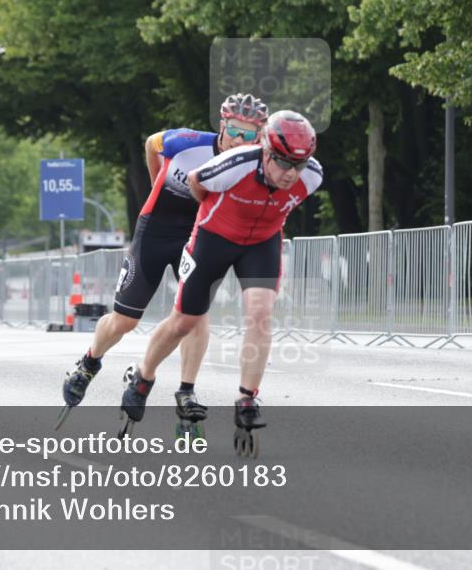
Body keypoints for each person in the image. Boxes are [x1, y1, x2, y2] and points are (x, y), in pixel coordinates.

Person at [58, 93, 269, 429]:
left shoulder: (253, 165)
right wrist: (158, 178)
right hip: (154, 230)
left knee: (195, 315)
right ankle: (89, 363)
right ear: (222, 125)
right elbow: (151, 144)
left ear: (260, 136)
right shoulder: (187, 142)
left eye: (249, 133)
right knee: (124, 321)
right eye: (234, 129)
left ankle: (187, 390)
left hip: (198, 236)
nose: (239, 139)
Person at [119, 110, 323, 455]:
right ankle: (144, 375)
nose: (291, 173)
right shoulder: (236, 164)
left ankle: (247, 399)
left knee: (260, 314)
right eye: (283, 162)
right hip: (214, 237)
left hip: (261, 242)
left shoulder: (312, 176)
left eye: (298, 165)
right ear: (266, 152)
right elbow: (196, 182)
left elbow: (284, 197)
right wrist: (216, 213)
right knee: (185, 321)